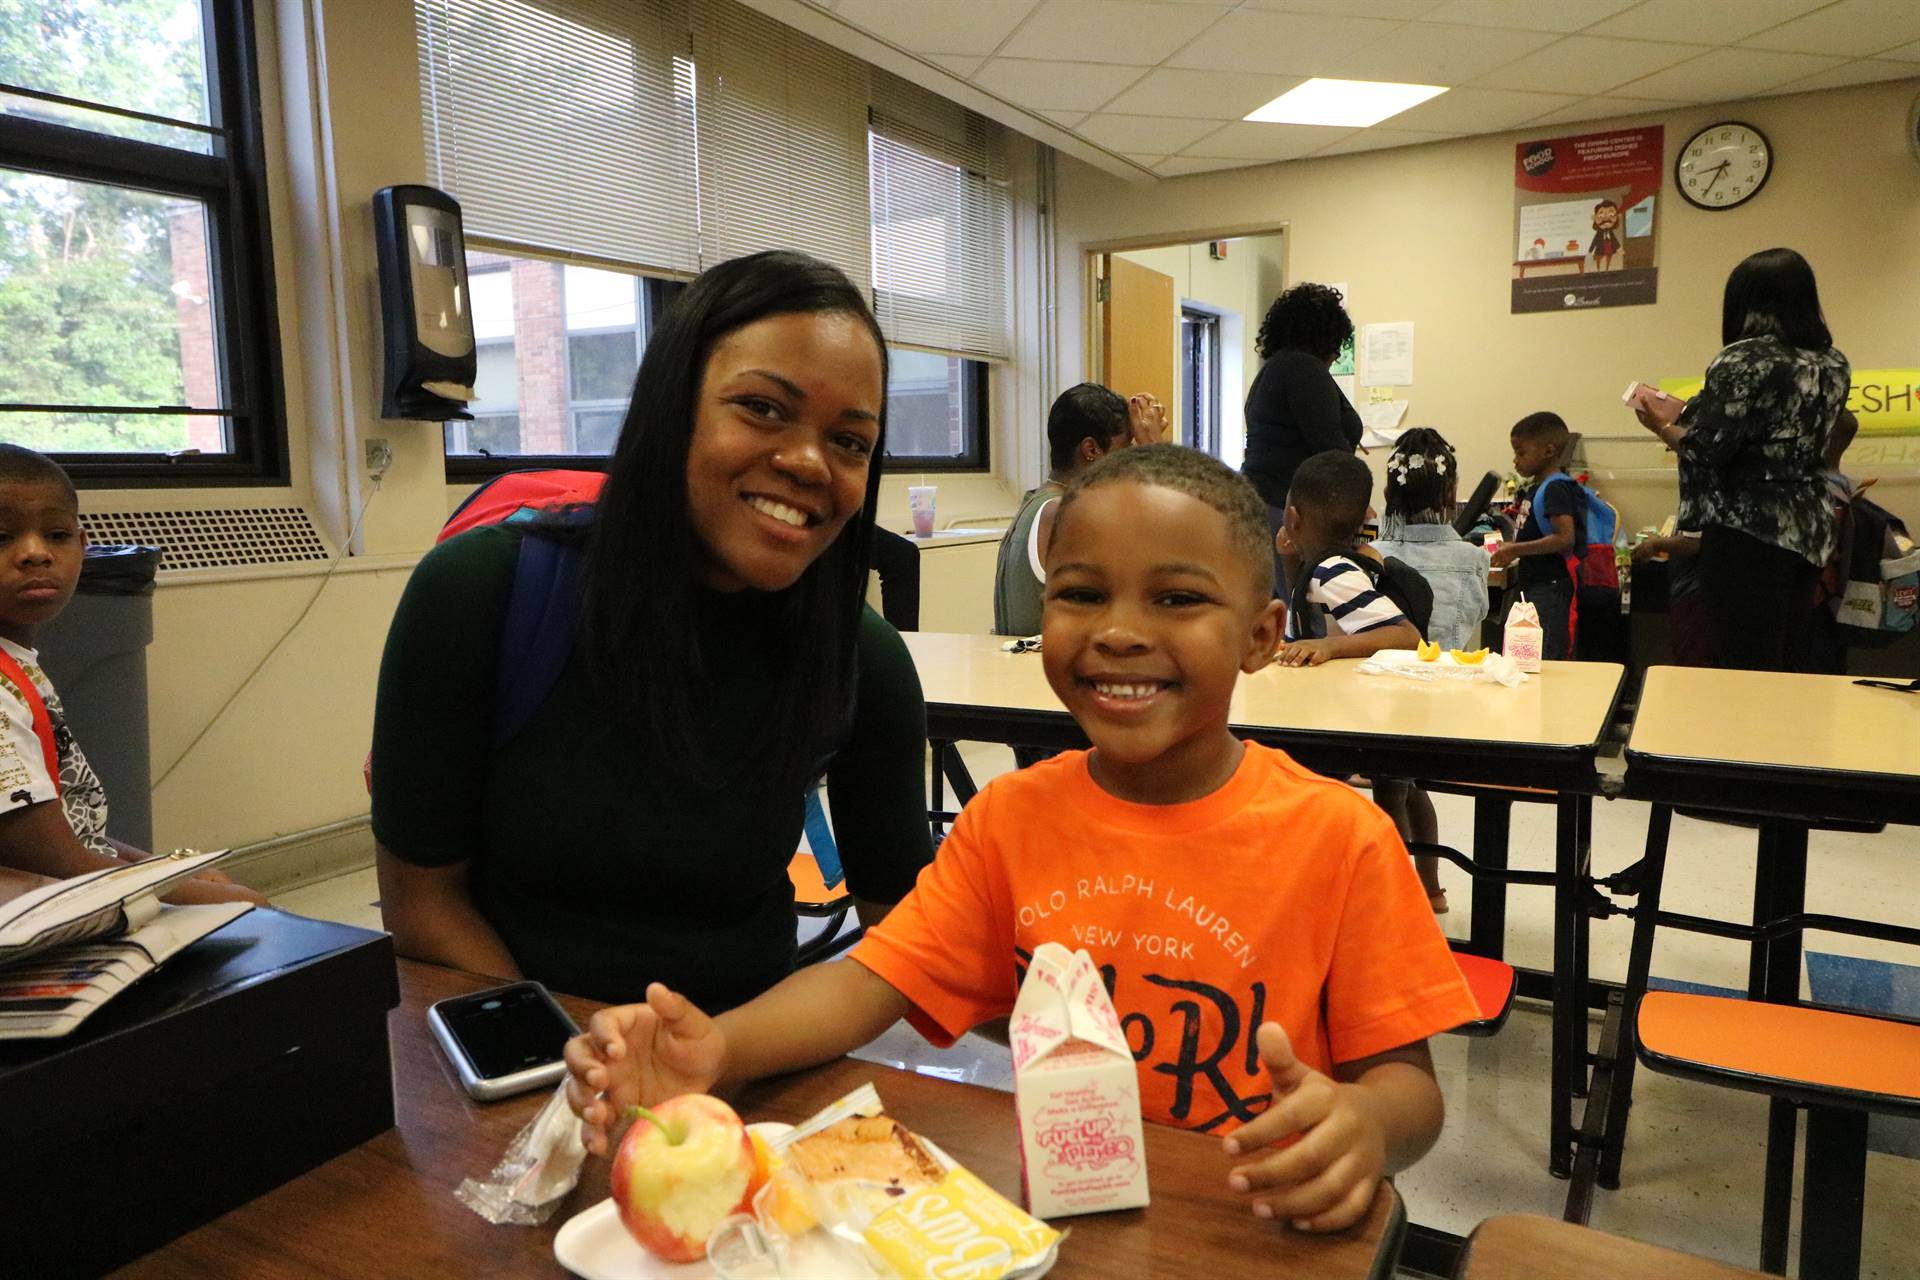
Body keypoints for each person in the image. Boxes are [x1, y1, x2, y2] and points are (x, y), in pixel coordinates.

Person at [565, 444, 1477, 1233]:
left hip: (1248, 1220)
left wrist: (1361, 1125)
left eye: (1176, 599)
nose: (1119, 632)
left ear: (1261, 636)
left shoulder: (1341, 837)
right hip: (1063, 1211)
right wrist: (716, 1050)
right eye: (1080, 593)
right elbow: (867, 980)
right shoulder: (1008, 820)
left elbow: (1412, 1092)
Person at [371, 251, 934, 1009]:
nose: (809, 462)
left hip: (742, 1071)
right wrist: (575, 1065)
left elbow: (904, 937)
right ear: (672, 408)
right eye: (763, 408)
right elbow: (423, 907)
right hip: (515, 1050)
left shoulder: (863, 659)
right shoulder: (483, 595)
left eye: (850, 441)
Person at [0, 445, 264, 906]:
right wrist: (181, 890)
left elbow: (78, 834)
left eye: (57, 534)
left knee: (217, 886)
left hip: (69, 884)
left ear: (83, 547)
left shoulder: (18, 662)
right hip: (40, 907)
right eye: (0, 537)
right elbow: (54, 860)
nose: (35, 554)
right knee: (250, 909)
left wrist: (165, 869)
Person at [1629, 247, 1846, 672]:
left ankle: (1744, 741)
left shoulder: (1743, 358)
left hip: (1748, 533)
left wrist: (1661, 426)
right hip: (1809, 528)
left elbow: (1708, 450)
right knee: (1787, 659)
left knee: (1744, 665)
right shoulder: (1832, 362)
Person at [1370, 429, 1489, 913]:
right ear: (1450, 494)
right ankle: (1432, 888)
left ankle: (1396, 893)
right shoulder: (1471, 558)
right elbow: (1474, 620)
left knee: (1390, 788)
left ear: (1389, 495)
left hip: (1386, 704)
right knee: (1408, 785)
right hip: (1449, 706)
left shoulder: (1375, 556)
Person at [992, 384, 1166, 638]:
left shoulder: (1035, 503)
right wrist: (1154, 450)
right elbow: (1162, 554)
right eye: (1126, 449)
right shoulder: (1066, 513)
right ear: (1091, 450)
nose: (1130, 461)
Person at [1242, 283, 1362, 598]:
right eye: (1336, 343)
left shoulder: (1273, 370)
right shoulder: (1304, 371)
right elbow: (1330, 448)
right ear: (1325, 335)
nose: (1337, 353)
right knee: (1302, 618)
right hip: (1287, 512)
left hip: (1261, 504)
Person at [1272, 451, 1422, 667]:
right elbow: (1303, 608)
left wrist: (1328, 646)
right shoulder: (1320, 569)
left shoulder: (1333, 572)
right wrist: (1289, 560)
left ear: (1293, 518)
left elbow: (1407, 636)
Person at [1491, 412, 1583, 661]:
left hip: (1551, 587)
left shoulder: (1556, 488)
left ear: (1548, 451)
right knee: (1524, 653)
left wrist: (1516, 550)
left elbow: (1565, 538)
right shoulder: (1537, 488)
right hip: (1534, 584)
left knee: (1544, 656)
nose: (1515, 460)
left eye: (1521, 452)